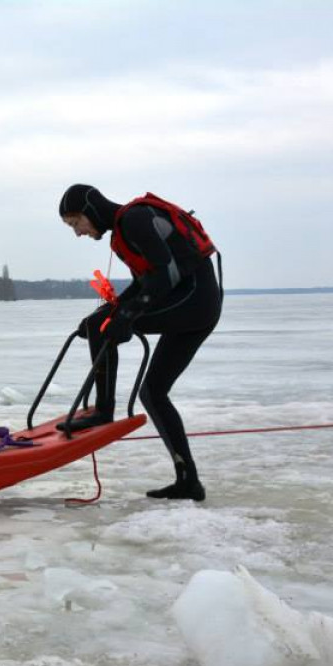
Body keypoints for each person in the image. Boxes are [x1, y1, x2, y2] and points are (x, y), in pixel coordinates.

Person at [58, 184, 222, 501]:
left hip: (193, 301)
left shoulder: (133, 220)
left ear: (90, 210)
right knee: (152, 392)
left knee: (102, 326)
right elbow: (146, 282)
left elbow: (166, 274)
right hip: (197, 305)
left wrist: (123, 316)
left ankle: (104, 410)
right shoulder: (123, 230)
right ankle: (188, 481)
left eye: (76, 223)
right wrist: (117, 309)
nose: (78, 233)